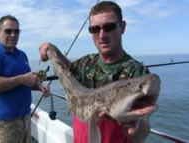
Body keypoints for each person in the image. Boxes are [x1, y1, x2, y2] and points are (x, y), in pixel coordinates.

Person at [39, 1, 152, 143]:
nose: (102, 35)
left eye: (109, 27)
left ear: (122, 27)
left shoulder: (138, 73)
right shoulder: (85, 63)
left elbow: (143, 126)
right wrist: (52, 49)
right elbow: (68, 70)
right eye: (95, 29)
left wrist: (136, 128)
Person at [0, 15, 49, 143]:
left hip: (25, 117)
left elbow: (26, 82)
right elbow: (22, 80)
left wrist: (38, 86)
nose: (13, 34)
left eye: (16, 31)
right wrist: (21, 79)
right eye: (8, 31)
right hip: (4, 122)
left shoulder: (22, 55)